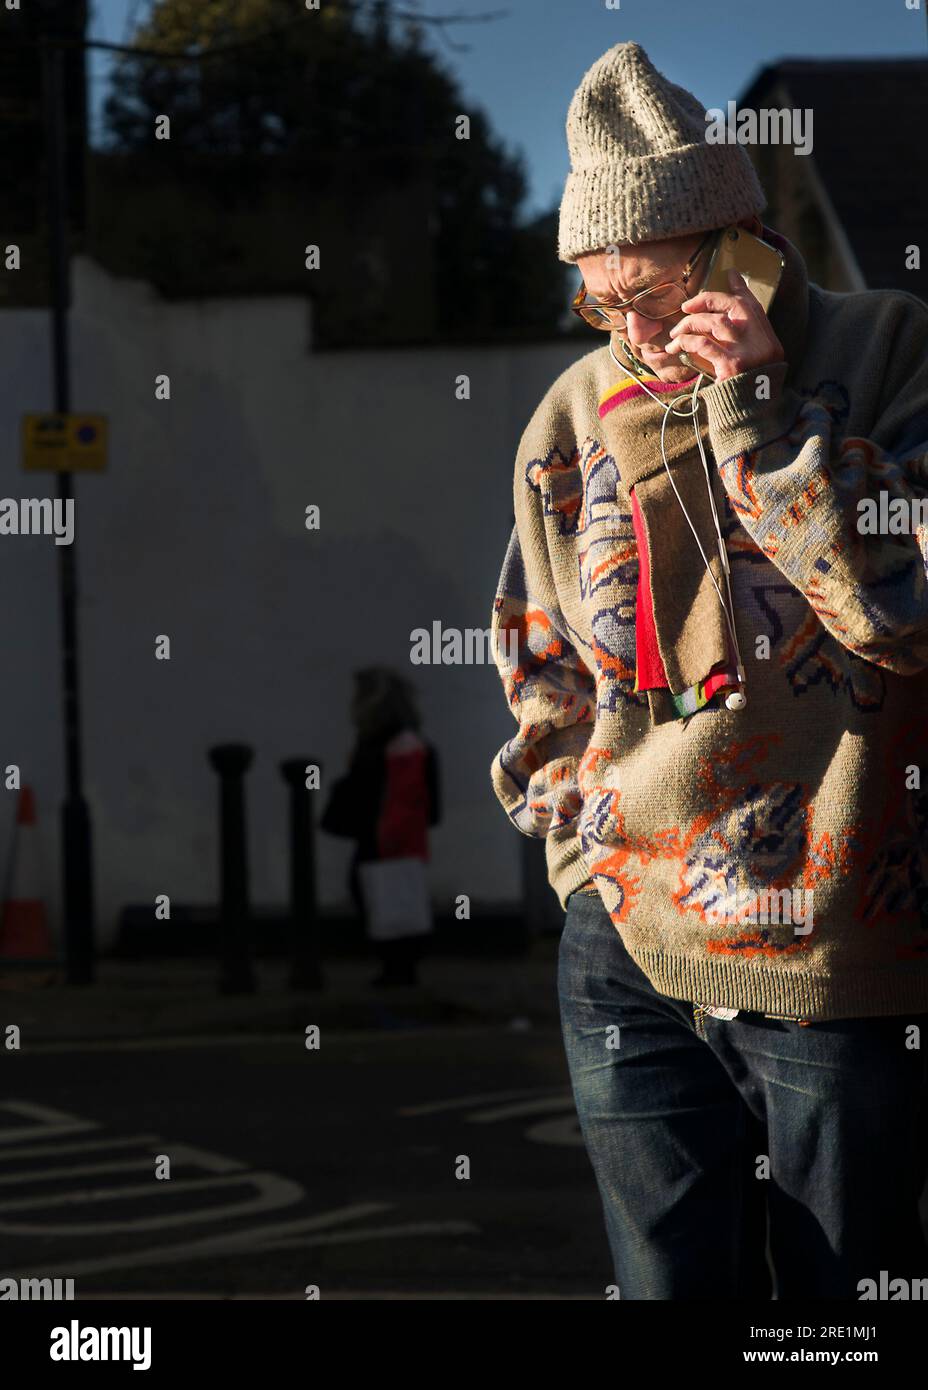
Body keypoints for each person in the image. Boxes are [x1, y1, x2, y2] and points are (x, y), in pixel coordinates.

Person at [489, 41, 928, 1299]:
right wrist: (576, 847)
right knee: (670, 1289)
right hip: (627, 928)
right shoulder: (579, 408)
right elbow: (536, 643)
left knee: (849, 1296)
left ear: (739, 244)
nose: (626, 333)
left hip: (832, 951)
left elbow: (902, 605)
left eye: (646, 291)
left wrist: (754, 413)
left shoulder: (890, 347)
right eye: (596, 302)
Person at [322, 668, 440, 987]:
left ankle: (397, 968)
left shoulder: (392, 743)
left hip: (387, 837)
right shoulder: (402, 740)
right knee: (388, 896)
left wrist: (387, 836)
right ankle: (398, 967)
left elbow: (398, 797)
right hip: (389, 834)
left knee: (382, 895)